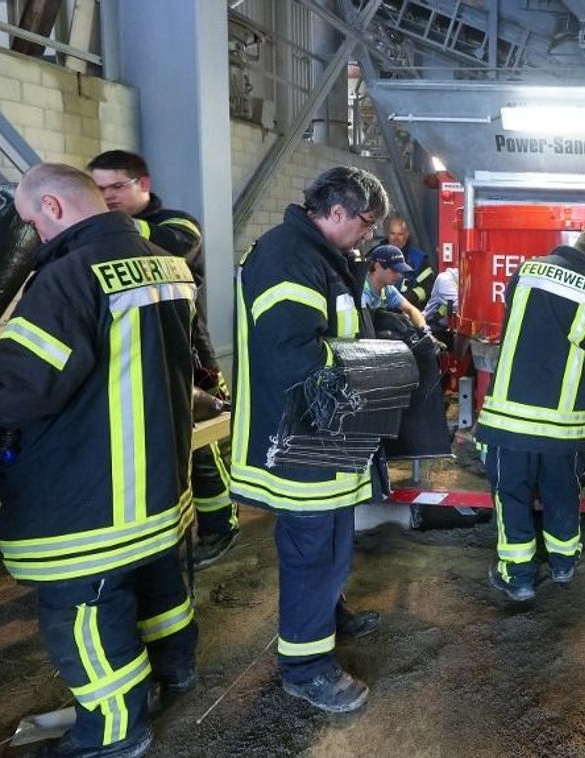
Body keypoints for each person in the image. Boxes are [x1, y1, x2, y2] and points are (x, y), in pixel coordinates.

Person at [0, 163, 197, 757]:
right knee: (158, 588)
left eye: (29, 223)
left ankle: (113, 734)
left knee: (85, 619)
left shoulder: (69, 276)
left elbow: (15, 392)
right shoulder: (165, 263)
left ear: (52, 208)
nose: (32, 239)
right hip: (156, 486)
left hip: (92, 499)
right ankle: (175, 672)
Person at [231, 166, 388, 714]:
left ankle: (328, 615)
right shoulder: (287, 257)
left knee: (333, 542)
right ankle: (306, 667)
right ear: (338, 211)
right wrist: (371, 362)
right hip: (299, 442)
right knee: (311, 555)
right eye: (365, 222)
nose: (367, 234)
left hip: (326, 435)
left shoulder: (318, 255)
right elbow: (291, 353)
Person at [87, 150, 239, 568]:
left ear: (143, 185)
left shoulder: (177, 224)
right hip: (131, 358)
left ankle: (219, 526)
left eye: (116, 186)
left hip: (191, 356)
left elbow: (169, 247)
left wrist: (93, 223)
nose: (107, 197)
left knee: (204, 445)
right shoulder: (100, 236)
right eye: (98, 189)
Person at [475, 225, 585, 601]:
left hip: (510, 414)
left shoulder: (526, 270)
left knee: (512, 494)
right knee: (562, 491)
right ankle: (564, 564)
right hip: (563, 418)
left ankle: (518, 577)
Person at [364, 243, 427, 329]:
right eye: (394, 270)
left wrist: (424, 330)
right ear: (378, 266)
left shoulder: (387, 289)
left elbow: (411, 310)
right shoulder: (362, 291)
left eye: (400, 271)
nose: (399, 276)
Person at [385, 214, 436, 308]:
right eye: (392, 233)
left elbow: (428, 287)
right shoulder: (376, 256)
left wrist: (410, 297)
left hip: (406, 313)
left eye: (400, 234)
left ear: (407, 235)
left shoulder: (418, 259)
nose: (396, 239)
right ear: (387, 234)